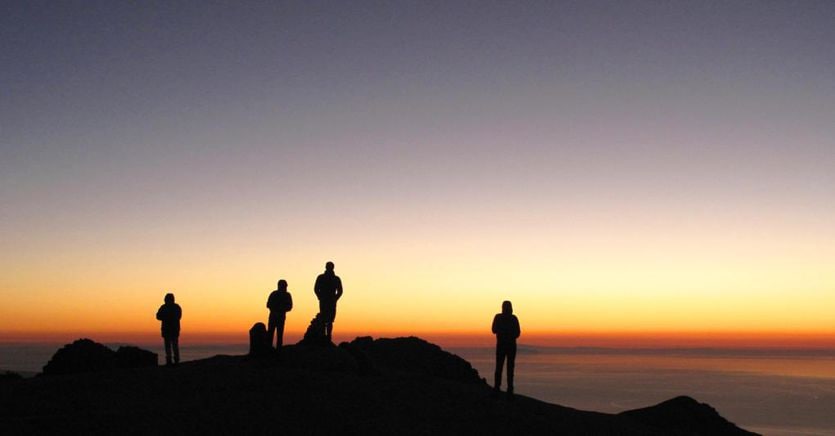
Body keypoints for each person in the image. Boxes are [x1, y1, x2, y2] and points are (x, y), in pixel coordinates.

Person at [492, 300, 520, 396]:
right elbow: (517, 333)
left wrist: (502, 332)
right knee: (510, 368)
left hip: (501, 345)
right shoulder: (513, 318)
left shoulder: (498, 317)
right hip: (511, 346)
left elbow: (494, 329)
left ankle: (497, 387)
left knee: (500, 366)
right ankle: (509, 389)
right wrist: (510, 335)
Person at [314, 261, 343, 341]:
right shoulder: (321, 277)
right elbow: (316, 289)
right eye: (328, 266)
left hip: (331, 301)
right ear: (326, 267)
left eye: (330, 266)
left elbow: (340, 291)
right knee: (323, 319)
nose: (329, 268)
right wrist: (320, 297)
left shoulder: (336, 279)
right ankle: (323, 336)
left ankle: (328, 337)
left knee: (330, 320)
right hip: (324, 301)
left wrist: (335, 299)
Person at [156, 293, 182, 366]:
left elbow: (158, 316)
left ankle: (171, 360)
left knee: (170, 345)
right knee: (173, 345)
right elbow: (158, 316)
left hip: (169, 329)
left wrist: (166, 317)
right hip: (172, 329)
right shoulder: (176, 307)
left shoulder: (165, 307)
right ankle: (173, 360)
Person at [266, 279, 293, 350]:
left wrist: (281, 309)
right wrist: (277, 309)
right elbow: (268, 304)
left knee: (279, 335)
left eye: (285, 286)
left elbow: (290, 306)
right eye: (284, 286)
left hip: (280, 317)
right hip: (274, 317)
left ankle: (278, 350)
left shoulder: (287, 295)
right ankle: (269, 349)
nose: (285, 288)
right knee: (270, 334)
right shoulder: (274, 294)